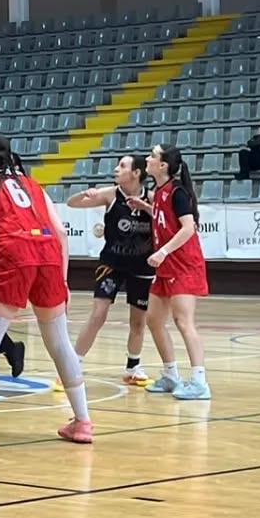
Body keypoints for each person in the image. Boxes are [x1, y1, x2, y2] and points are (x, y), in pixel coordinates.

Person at [0, 133, 93, 451]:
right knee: (60, 342)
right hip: (49, 253)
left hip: (13, 253)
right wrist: (63, 279)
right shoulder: (33, 185)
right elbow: (62, 232)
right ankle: (82, 421)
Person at [67, 155, 154, 386]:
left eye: (123, 166)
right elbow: (71, 204)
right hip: (112, 263)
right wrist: (86, 194)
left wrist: (147, 207)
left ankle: (133, 367)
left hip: (142, 265)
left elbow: (167, 222)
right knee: (98, 314)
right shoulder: (111, 194)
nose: (116, 169)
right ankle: (73, 365)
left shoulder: (152, 198)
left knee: (138, 321)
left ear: (136, 173)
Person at [139, 143, 210, 401]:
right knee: (154, 320)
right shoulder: (158, 192)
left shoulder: (178, 192)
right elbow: (165, 219)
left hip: (184, 264)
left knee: (183, 322)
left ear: (163, 165)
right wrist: (147, 208)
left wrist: (162, 251)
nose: (147, 159)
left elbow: (188, 228)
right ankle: (171, 375)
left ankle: (200, 382)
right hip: (167, 265)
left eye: (152, 156)